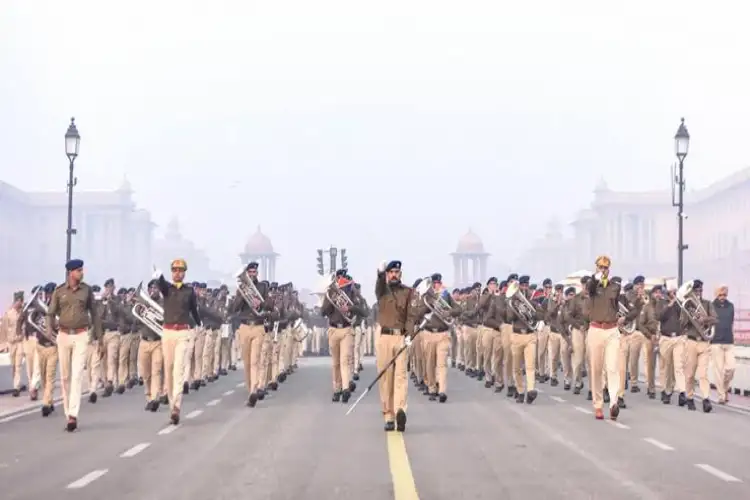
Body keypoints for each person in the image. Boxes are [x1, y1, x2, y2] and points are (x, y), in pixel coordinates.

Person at [47, 259, 102, 432]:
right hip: (63, 335)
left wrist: (99, 338)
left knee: (78, 374)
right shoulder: (59, 291)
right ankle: (67, 412)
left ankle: (73, 415)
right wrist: (49, 329)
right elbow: (50, 313)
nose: (81, 273)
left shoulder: (86, 290)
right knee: (65, 377)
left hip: (81, 335)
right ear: (70, 273)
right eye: (78, 270)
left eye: (81, 270)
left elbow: (95, 314)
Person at [153, 258, 202, 425]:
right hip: (167, 332)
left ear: (184, 273)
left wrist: (199, 324)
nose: (177, 273)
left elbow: (194, 310)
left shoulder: (189, 291)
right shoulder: (167, 289)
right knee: (169, 368)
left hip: (182, 332)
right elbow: (160, 284)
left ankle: (176, 406)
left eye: (180, 270)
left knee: (179, 369)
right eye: (174, 270)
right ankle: (171, 402)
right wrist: (158, 276)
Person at [374, 260, 418, 432]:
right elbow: (378, 286)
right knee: (386, 378)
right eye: (390, 272)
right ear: (387, 274)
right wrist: (379, 273)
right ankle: (388, 415)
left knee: (400, 377)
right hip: (384, 337)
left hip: (400, 337)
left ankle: (400, 411)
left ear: (400, 274)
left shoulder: (408, 292)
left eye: (396, 272)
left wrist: (409, 335)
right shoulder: (382, 291)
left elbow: (411, 316)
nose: (393, 275)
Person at [710, 285, 735, 404]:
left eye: (724, 295)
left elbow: (731, 321)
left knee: (731, 368)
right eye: (720, 295)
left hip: (729, 341)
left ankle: (724, 390)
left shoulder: (731, 306)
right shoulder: (711, 306)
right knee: (718, 371)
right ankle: (721, 395)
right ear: (716, 295)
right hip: (716, 342)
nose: (722, 297)